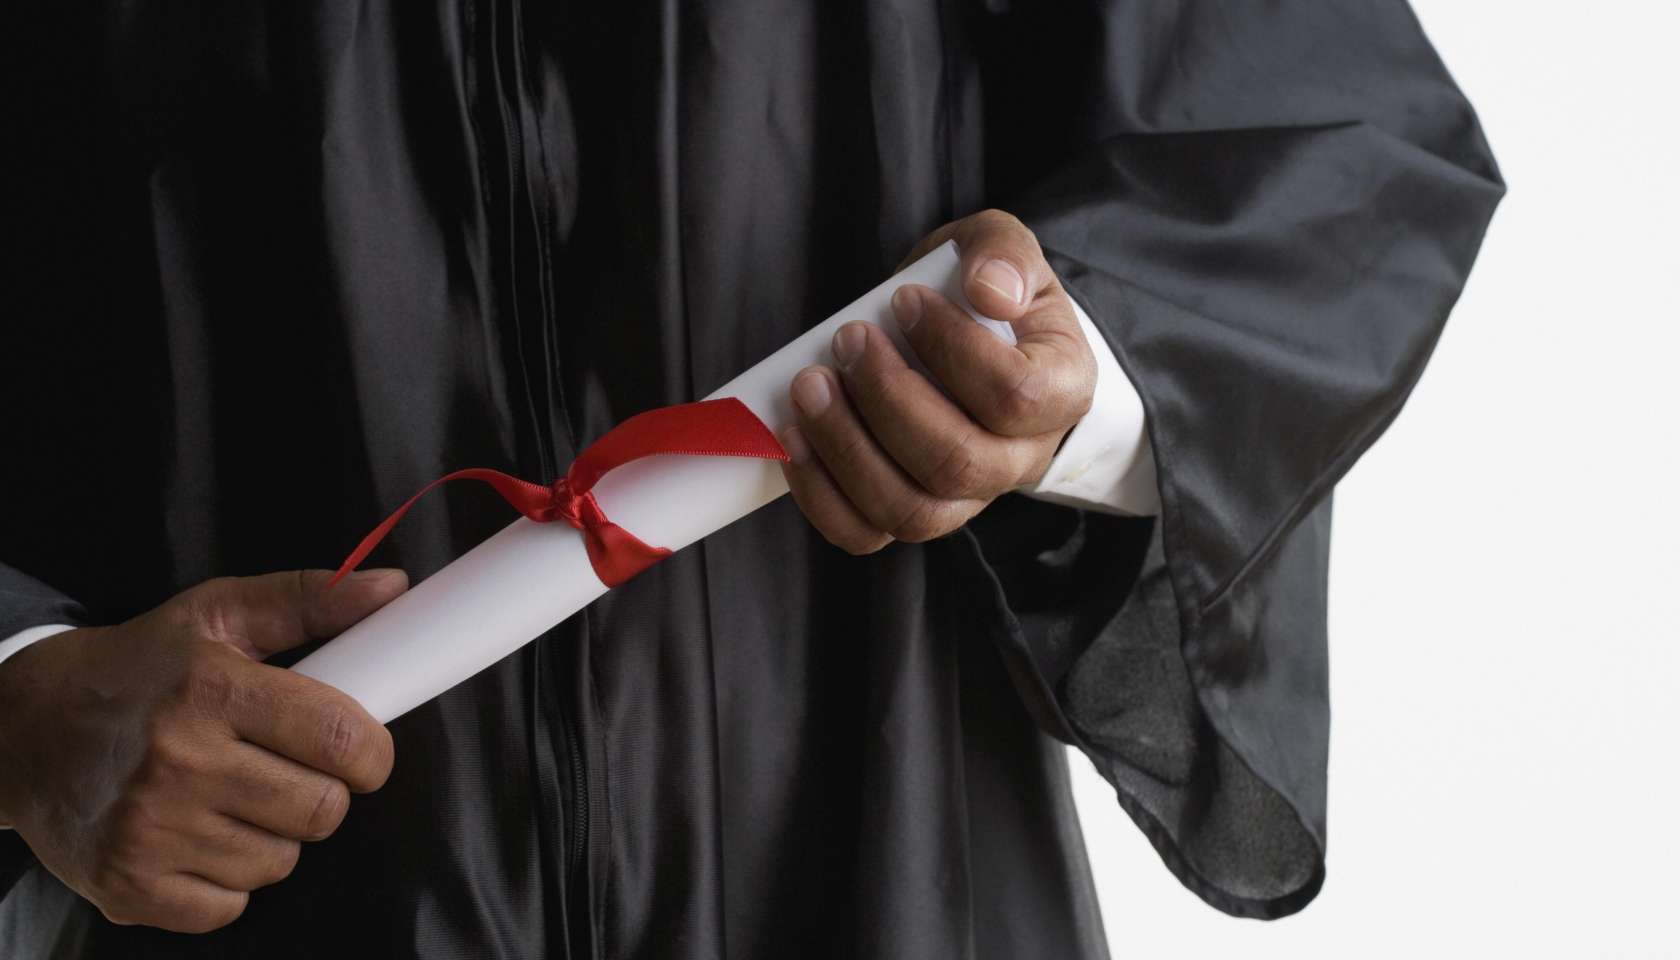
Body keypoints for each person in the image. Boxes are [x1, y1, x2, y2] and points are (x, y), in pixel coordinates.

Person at [0, 2, 1501, 956]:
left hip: (876, 873)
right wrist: (22, 696)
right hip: (242, 889)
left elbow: (1321, 141)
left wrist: (1069, 378)